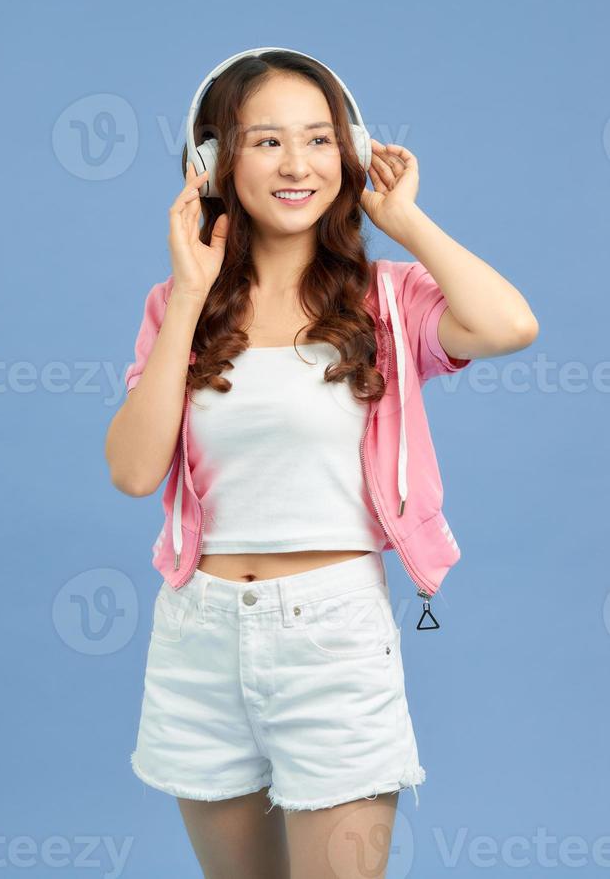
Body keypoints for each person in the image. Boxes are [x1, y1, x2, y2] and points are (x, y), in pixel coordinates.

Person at [105, 48, 539, 879]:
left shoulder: (388, 298)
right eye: (266, 141)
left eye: (319, 139)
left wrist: (407, 222)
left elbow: (509, 325)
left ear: (351, 150)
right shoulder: (175, 307)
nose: (298, 164)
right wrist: (189, 291)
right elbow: (131, 471)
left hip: (333, 635)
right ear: (212, 162)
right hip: (199, 635)